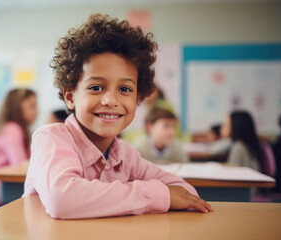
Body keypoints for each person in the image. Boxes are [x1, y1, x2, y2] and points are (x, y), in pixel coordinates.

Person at [23, 14, 212, 219]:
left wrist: (162, 194)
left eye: (124, 89)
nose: (111, 100)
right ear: (70, 97)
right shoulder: (52, 139)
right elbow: (62, 199)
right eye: (96, 87)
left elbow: (184, 192)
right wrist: (155, 195)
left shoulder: (126, 156)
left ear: (138, 98)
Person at [0, 88, 38, 197]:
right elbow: (20, 164)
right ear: (17, 108)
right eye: (31, 106)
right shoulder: (12, 129)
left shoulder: (13, 128)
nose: (36, 111)